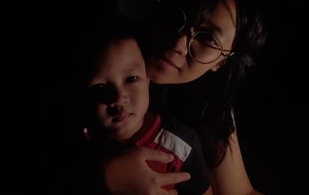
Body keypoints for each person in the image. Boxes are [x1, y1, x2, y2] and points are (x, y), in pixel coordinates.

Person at [101, 0, 267, 195]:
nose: (179, 43)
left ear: (222, 62)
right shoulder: (104, 49)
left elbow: (239, 192)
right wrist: (99, 176)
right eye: (177, 17)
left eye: (207, 37)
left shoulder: (209, 100)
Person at [78, 18, 212, 195]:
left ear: (148, 78)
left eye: (131, 79)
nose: (118, 97)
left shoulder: (182, 146)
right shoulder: (81, 138)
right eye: (100, 88)